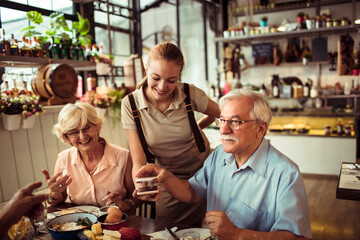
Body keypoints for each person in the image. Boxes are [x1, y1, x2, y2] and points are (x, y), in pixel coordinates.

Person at [135, 89, 312, 240]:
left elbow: (298, 237)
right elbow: (192, 193)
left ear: (261, 128)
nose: (224, 130)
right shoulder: (219, 155)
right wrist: (164, 176)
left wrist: (237, 234)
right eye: (222, 120)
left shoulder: (285, 173)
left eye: (235, 122)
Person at [121, 42, 220, 226]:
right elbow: (139, 161)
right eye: (155, 78)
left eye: (171, 80)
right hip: (166, 180)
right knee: (168, 231)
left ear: (179, 76)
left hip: (205, 175)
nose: (162, 86)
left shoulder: (189, 93)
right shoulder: (131, 104)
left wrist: (196, 128)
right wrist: (142, 186)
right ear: (146, 67)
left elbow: (220, 113)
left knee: (212, 231)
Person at [42, 102, 141, 213]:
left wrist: (124, 204)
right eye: (74, 132)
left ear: (97, 127)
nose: (82, 136)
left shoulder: (123, 156)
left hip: (116, 223)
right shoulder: (63, 159)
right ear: (67, 137)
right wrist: (54, 194)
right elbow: (58, 202)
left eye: (86, 128)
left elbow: (137, 197)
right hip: (79, 224)